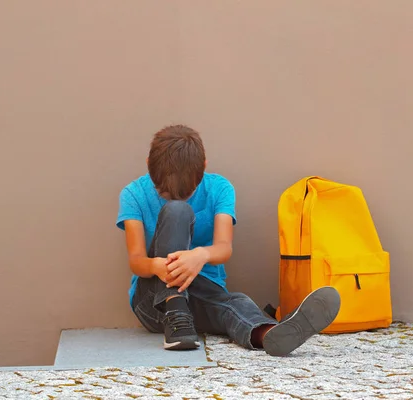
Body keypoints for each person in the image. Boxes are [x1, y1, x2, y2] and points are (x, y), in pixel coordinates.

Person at [115, 125, 341, 356]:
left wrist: (199, 256)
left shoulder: (219, 188)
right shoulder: (133, 194)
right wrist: (156, 266)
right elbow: (136, 260)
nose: (175, 196)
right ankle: (175, 310)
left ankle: (269, 334)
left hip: (203, 291)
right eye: (164, 193)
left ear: (203, 168)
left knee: (233, 305)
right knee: (177, 211)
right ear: (148, 166)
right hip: (153, 301)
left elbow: (224, 248)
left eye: (189, 192)